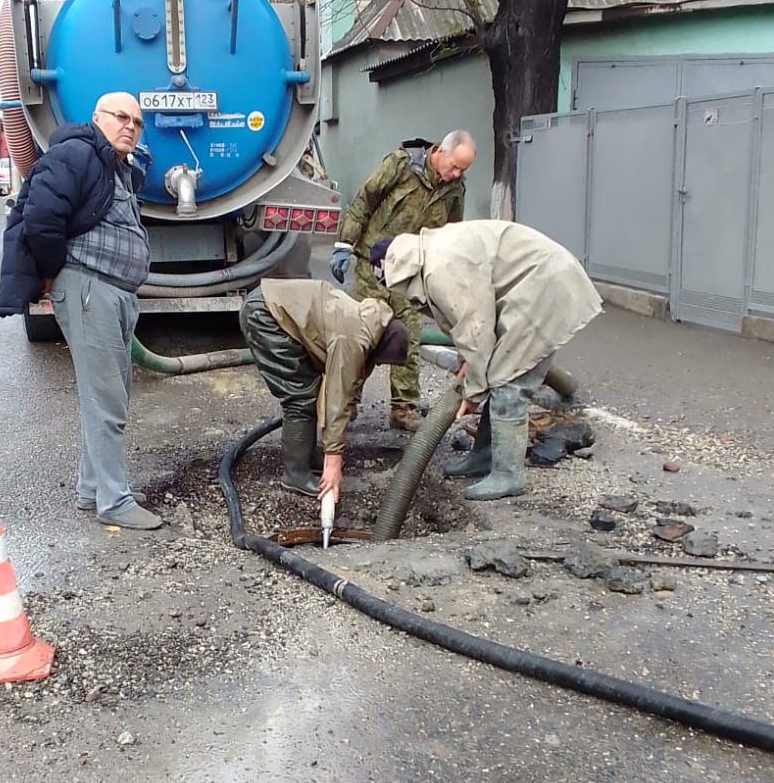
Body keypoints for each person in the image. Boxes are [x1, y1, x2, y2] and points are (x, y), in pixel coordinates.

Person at [0, 92, 162, 530]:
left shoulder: (116, 166)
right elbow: (41, 218)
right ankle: (114, 499)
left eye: (138, 122)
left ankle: (94, 489)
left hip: (112, 291)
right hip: (90, 288)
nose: (130, 126)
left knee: (108, 393)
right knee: (107, 399)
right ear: (97, 117)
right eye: (121, 117)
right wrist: (52, 273)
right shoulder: (75, 153)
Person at [370, 220, 602, 501]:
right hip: (534, 284)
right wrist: (471, 368)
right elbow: (463, 323)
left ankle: (508, 475)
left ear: (393, 271)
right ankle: (484, 456)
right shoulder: (429, 256)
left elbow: (476, 331)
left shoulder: (440, 268)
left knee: (508, 380)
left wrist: (472, 392)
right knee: (496, 372)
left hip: (544, 286)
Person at [328, 131, 476, 433]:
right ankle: (346, 404)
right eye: (455, 166)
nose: (457, 174)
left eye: (464, 169)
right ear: (440, 152)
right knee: (361, 335)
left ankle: (403, 408)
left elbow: (452, 233)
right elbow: (364, 201)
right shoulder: (401, 165)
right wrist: (344, 245)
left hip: (412, 275)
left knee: (409, 335)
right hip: (375, 266)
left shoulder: (455, 188)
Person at [239, 280, 409, 504]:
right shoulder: (352, 340)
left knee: (309, 391)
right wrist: (333, 463)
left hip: (276, 305)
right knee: (299, 398)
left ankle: (306, 458)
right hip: (266, 314)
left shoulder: (371, 321)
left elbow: (353, 379)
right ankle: (295, 474)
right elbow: (336, 398)